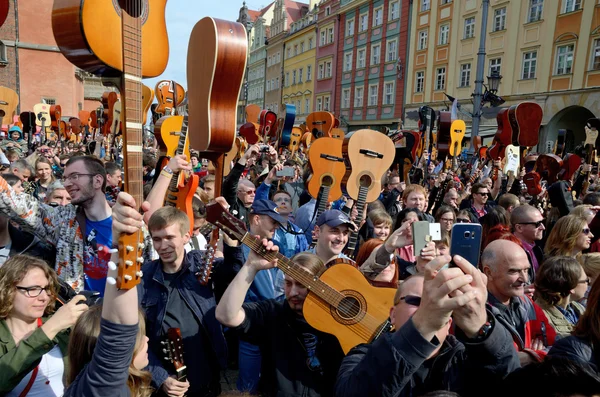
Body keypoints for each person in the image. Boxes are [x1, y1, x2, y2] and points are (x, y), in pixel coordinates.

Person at [335, 254, 520, 397]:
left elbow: (511, 382)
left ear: (449, 322)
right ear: (392, 314)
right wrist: (420, 328)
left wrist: (481, 328)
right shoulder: (363, 355)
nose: (429, 308)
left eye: (439, 301)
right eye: (417, 301)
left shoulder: (466, 360)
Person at [0, 155, 151, 295]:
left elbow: (152, 269)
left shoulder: (130, 222)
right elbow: (15, 203)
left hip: (119, 313)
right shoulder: (63, 220)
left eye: (74, 176)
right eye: (65, 178)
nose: (67, 183)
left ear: (98, 181)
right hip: (78, 317)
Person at [216, 250, 345, 397]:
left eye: (301, 285)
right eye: (288, 283)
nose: (292, 292)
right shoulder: (272, 313)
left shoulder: (337, 322)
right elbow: (226, 316)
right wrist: (250, 266)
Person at [63, 191, 152, 396]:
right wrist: (122, 241)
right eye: (137, 337)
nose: (147, 341)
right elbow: (119, 328)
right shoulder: (102, 389)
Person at [138, 206, 227, 396]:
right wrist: (161, 377)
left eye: (169, 238)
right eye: (157, 239)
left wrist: (233, 243)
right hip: (164, 379)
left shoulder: (201, 264)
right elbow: (133, 337)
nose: (162, 246)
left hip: (206, 373)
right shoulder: (143, 277)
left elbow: (233, 271)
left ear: (187, 236)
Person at [0, 255, 89, 395]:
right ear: (8, 290)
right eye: (33, 289)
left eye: (46, 288)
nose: (44, 297)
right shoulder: (55, 324)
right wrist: (49, 330)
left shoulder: (63, 327)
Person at [481, 240, 557, 365]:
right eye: (514, 271)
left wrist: (532, 356)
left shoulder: (527, 304)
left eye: (526, 270)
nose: (524, 279)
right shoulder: (477, 313)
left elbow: (557, 347)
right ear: (489, 272)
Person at [534, 256, 587, 337]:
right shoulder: (541, 317)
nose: (588, 284)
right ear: (572, 287)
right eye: (586, 281)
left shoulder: (579, 308)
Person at [511, 205, 545, 275]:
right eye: (537, 224)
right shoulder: (510, 252)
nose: (543, 227)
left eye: (543, 222)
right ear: (519, 228)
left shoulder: (537, 248)